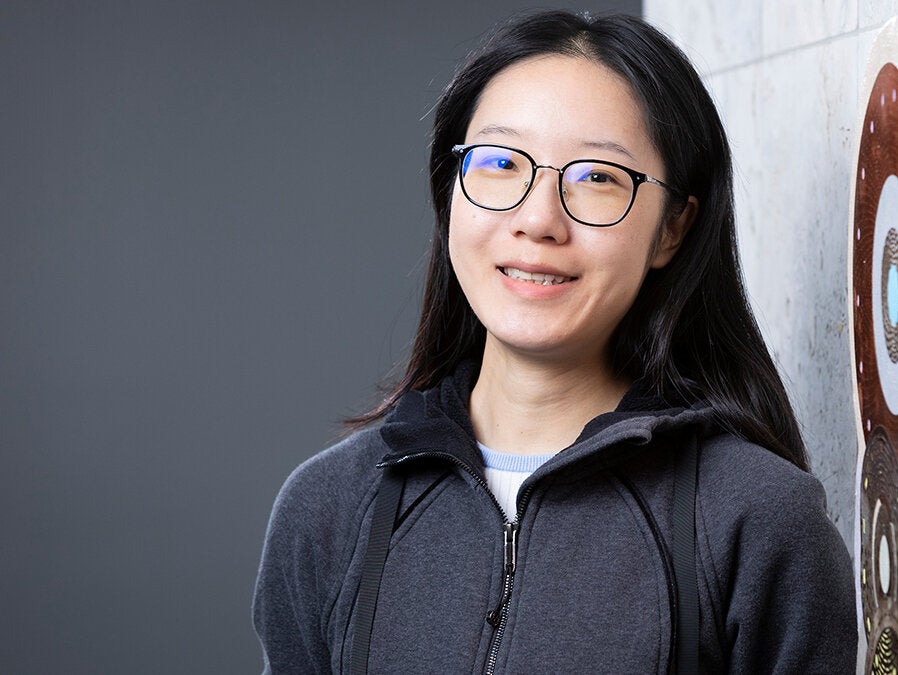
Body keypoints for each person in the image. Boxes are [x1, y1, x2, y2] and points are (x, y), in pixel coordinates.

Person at [253, 10, 855, 673]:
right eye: (501, 162)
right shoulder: (329, 509)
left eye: (597, 175)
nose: (538, 219)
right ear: (451, 190)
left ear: (672, 229)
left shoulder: (758, 520)